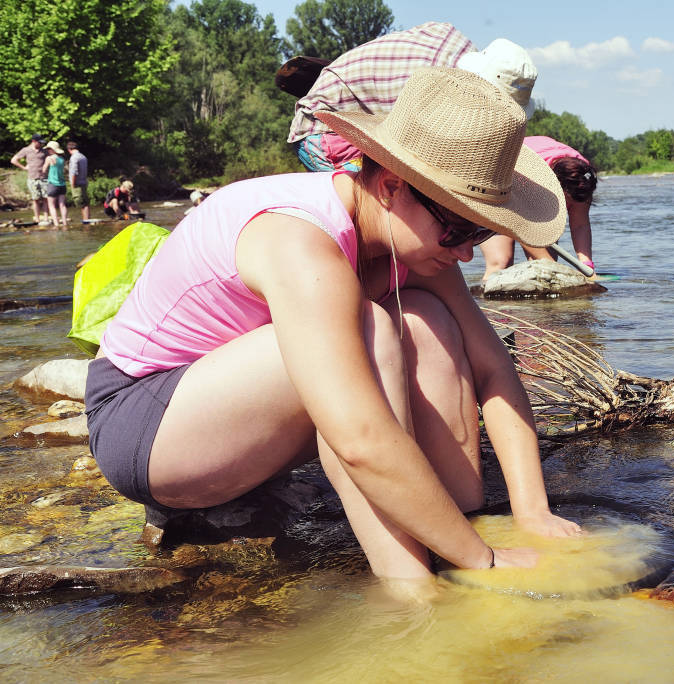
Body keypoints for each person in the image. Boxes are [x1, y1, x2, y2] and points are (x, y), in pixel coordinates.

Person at [85, 67, 581, 581]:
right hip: (144, 427)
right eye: (457, 228)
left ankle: (463, 519)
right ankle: (412, 591)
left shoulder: (412, 240)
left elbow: (493, 369)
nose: (466, 253)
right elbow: (359, 439)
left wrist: (531, 514)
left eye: (479, 232)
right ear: (391, 186)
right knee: (371, 331)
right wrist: (483, 559)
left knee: (427, 318)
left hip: (240, 415)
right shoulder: (300, 240)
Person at [286, 22, 537, 172]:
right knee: (385, 209)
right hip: (325, 128)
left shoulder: (455, 43)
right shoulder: (437, 91)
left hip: (352, 112)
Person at [480, 136, 597, 280]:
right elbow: (519, 224)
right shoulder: (531, 176)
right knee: (500, 263)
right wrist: (552, 267)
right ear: (555, 187)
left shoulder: (582, 178)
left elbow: (580, 225)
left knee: (543, 269)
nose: (568, 206)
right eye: (566, 201)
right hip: (495, 185)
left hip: (538, 196)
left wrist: (587, 265)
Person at [9, 134, 50, 224]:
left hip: (44, 178)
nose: (41, 144)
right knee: (35, 199)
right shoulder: (26, 150)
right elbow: (13, 160)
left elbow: (50, 160)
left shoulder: (44, 151)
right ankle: (37, 218)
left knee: (45, 199)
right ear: (34, 141)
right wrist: (24, 168)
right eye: (39, 142)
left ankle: (46, 218)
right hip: (32, 178)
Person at [42, 140, 69, 230]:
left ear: (52, 149)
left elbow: (44, 170)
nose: (48, 150)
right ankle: (64, 223)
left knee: (52, 205)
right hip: (62, 184)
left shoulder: (49, 158)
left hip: (52, 184)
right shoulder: (62, 159)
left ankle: (56, 224)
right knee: (62, 205)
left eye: (49, 149)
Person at [67, 142, 90, 221]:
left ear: (69, 149)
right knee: (85, 203)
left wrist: (72, 184)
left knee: (81, 203)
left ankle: (86, 220)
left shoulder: (74, 158)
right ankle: (87, 220)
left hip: (77, 184)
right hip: (84, 182)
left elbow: (74, 172)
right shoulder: (83, 157)